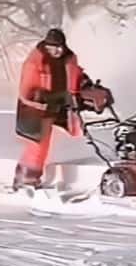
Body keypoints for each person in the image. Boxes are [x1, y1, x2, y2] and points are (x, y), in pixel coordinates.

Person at [12, 28, 91, 190]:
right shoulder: (35, 62)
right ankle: (26, 177)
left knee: (46, 143)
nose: (55, 51)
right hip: (39, 110)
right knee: (38, 143)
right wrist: (41, 98)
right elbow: (26, 90)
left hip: (61, 105)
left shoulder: (69, 59)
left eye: (58, 47)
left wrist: (85, 86)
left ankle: (27, 174)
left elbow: (76, 76)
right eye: (51, 47)